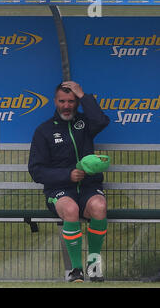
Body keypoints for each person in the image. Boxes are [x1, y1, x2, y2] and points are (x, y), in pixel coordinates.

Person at [28, 81, 110, 282]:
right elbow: (36, 171)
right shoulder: (44, 130)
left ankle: (93, 265)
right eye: (62, 101)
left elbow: (102, 121)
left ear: (76, 102)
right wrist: (67, 175)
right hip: (59, 191)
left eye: (71, 101)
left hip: (89, 188)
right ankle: (76, 270)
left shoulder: (85, 123)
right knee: (71, 210)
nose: (66, 105)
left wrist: (84, 96)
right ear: (55, 101)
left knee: (99, 206)